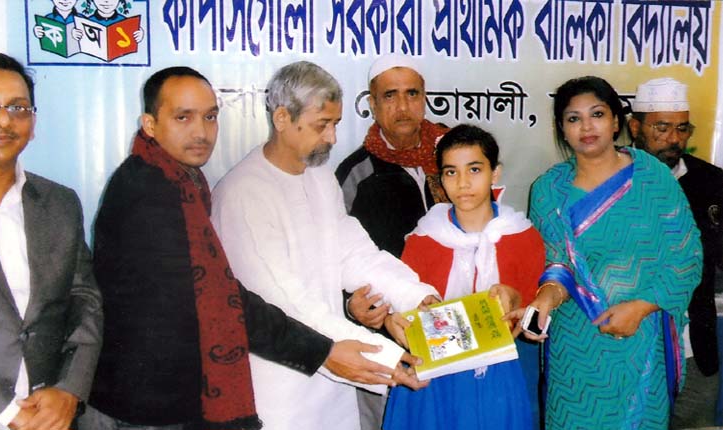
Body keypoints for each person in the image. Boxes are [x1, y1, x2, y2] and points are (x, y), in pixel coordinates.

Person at [81, 66, 408, 430]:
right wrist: (354, 353)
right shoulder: (154, 192)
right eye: (183, 117)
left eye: (210, 117)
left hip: (199, 389)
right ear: (150, 124)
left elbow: (352, 251)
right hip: (150, 406)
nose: (201, 131)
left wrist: (411, 297)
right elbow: (231, 299)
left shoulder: (180, 180)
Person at [211, 61, 439, 430]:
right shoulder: (242, 193)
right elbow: (285, 302)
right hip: (280, 386)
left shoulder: (318, 176)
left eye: (335, 124)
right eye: (323, 125)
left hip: (334, 381)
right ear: (282, 117)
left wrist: (415, 298)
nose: (332, 138)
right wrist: (384, 355)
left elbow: (353, 252)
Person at [512, 75, 702, 429]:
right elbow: (557, 266)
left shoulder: (653, 178)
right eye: (573, 118)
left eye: (597, 114)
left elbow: (686, 258)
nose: (586, 126)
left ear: (616, 121)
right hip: (577, 347)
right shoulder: (548, 191)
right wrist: (545, 299)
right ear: (561, 129)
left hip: (642, 339)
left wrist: (641, 307)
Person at [0, 52, 103, 429]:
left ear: (33, 123)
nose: (4, 120)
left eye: (19, 108)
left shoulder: (59, 202)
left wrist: (69, 389)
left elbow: (83, 299)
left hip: (49, 416)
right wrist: (6, 414)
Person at [381, 124, 545, 429]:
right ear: (440, 179)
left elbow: (535, 318)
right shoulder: (424, 237)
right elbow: (403, 307)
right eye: (451, 172)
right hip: (433, 376)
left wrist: (516, 299)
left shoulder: (523, 237)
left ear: (495, 173)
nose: (463, 183)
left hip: (496, 375)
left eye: (474, 169)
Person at [334, 54, 449, 429]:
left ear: (425, 97)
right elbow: (333, 258)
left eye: (412, 93)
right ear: (371, 104)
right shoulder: (354, 174)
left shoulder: (454, 159)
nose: (402, 106)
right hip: (386, 339)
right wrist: (352, 307)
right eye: (390, 96)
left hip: (452, 327)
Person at [628, 77, 722, 428]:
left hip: (695, 350)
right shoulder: (611, 180)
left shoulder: (712, 182)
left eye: (682, 128)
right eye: (662, 128)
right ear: (634, 127)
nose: (673, 139)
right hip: (631, 348)